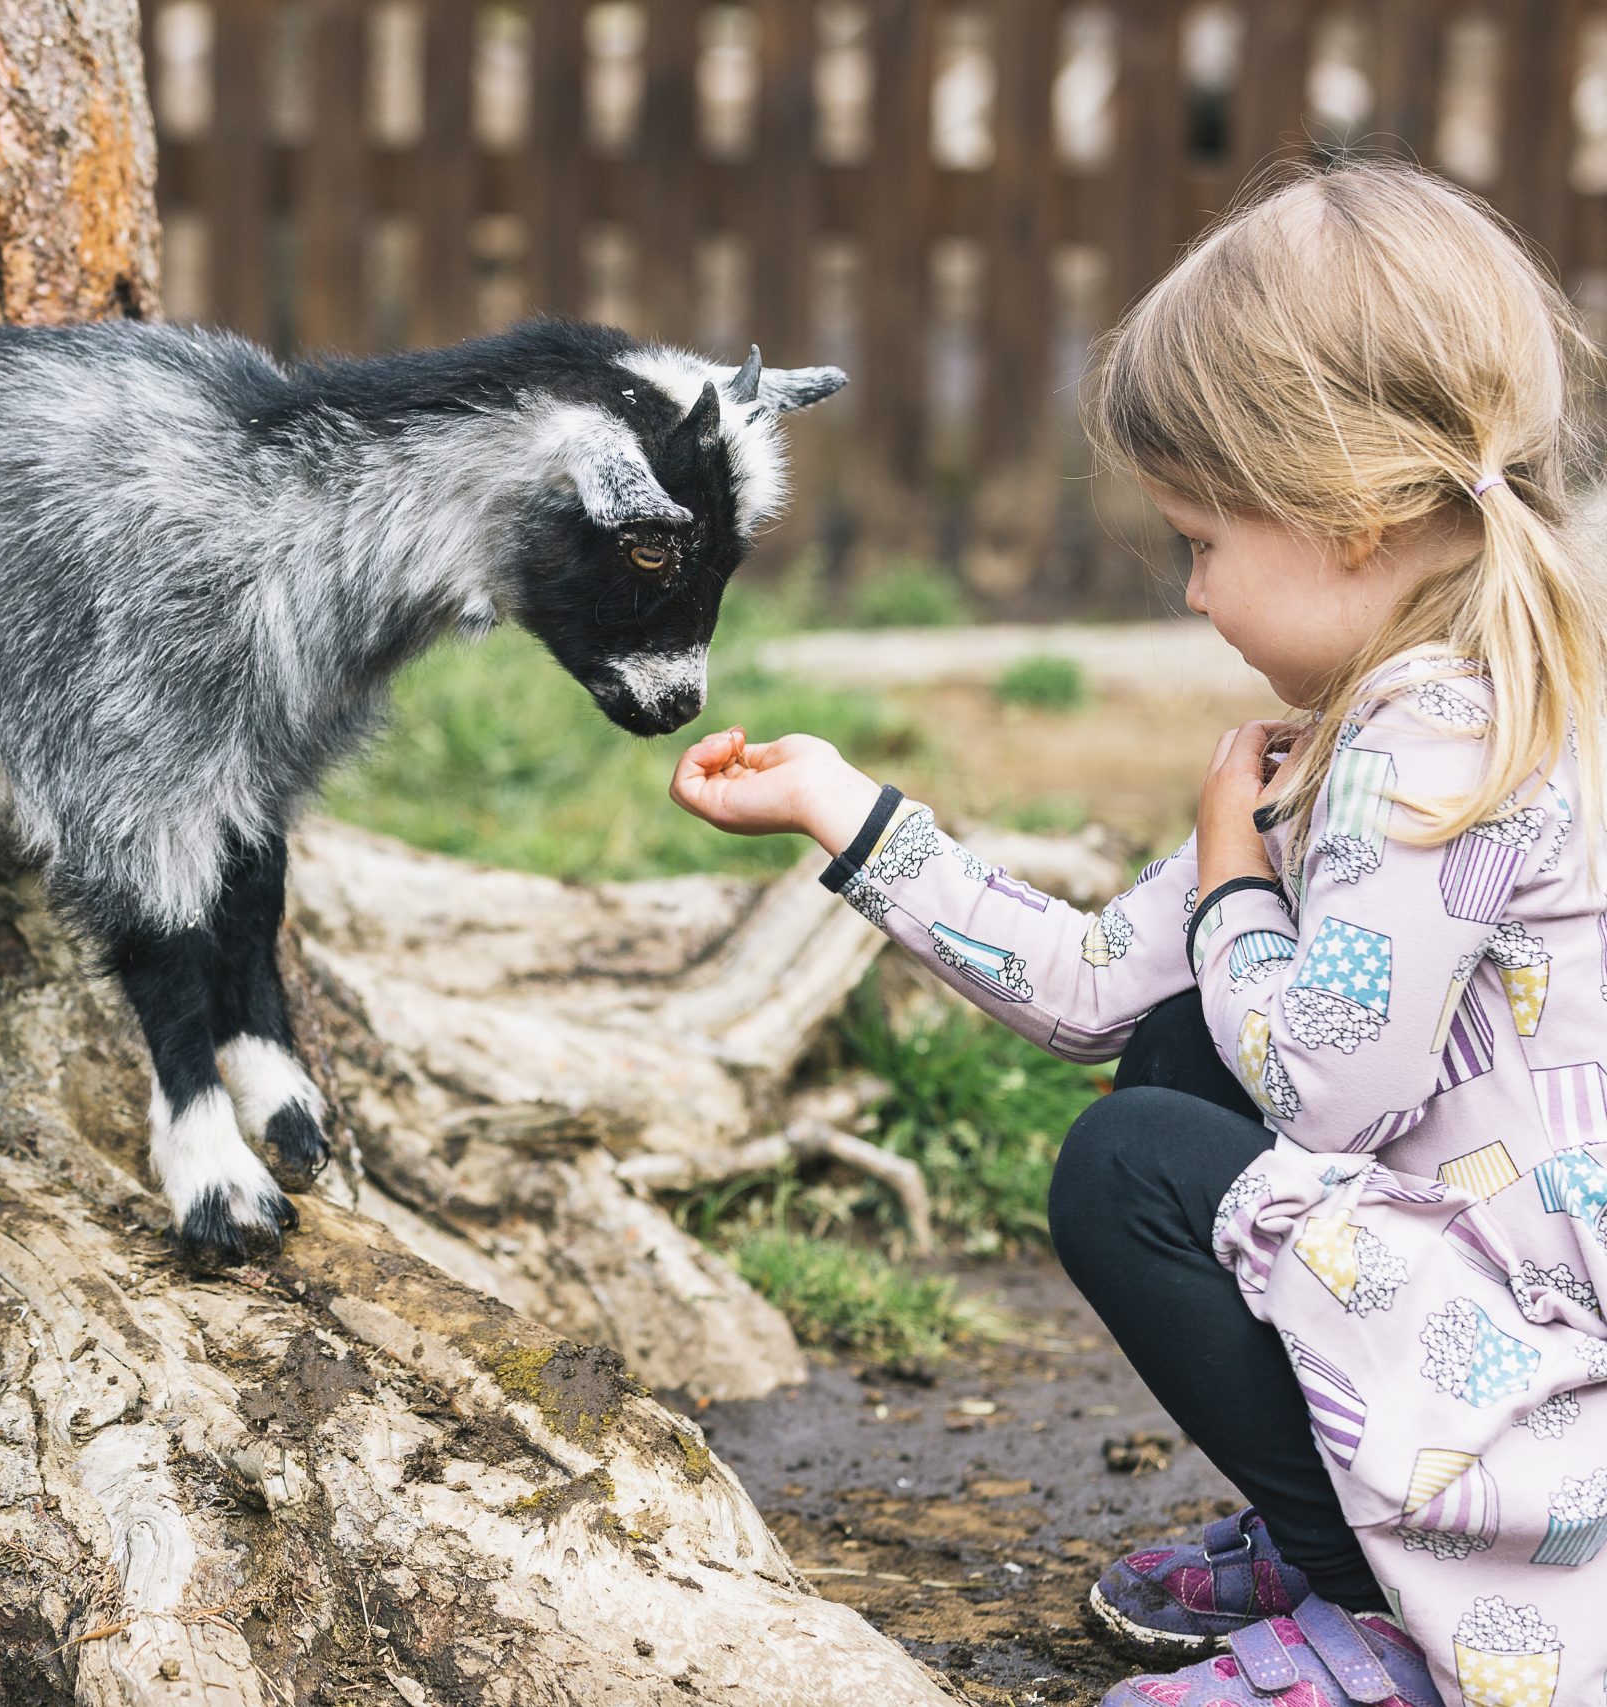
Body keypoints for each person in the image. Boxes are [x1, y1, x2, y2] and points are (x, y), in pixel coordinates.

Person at [672, 160, 1607, 1707]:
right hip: (1464, 1319)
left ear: (1350, 515)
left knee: (1137, 1165)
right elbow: (1095, 989)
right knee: (1174, 1056)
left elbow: (1323, 1092)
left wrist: (1234, 881)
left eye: (1203, 541)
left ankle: (1408, 1621)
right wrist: (849, 815)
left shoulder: (1439, 746)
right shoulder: (1361, 731)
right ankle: (1350, 1533)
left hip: (1534, 1401)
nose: (1188, 590)